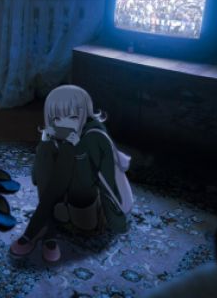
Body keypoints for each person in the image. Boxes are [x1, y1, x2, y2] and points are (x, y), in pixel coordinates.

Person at [9, 85, 132, 263]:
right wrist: (45, 141)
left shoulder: (94, 136)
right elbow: (37, 177)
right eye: (57, 118)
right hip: (63, 206)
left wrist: (76, 149)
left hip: (91, 211)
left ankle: (37, 229)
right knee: (46, 149)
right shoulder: (61, 132)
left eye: (72, 116)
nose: (64, 122)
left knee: (67, 149)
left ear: (85, 113)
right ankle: (48, 231)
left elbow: (92, 183)